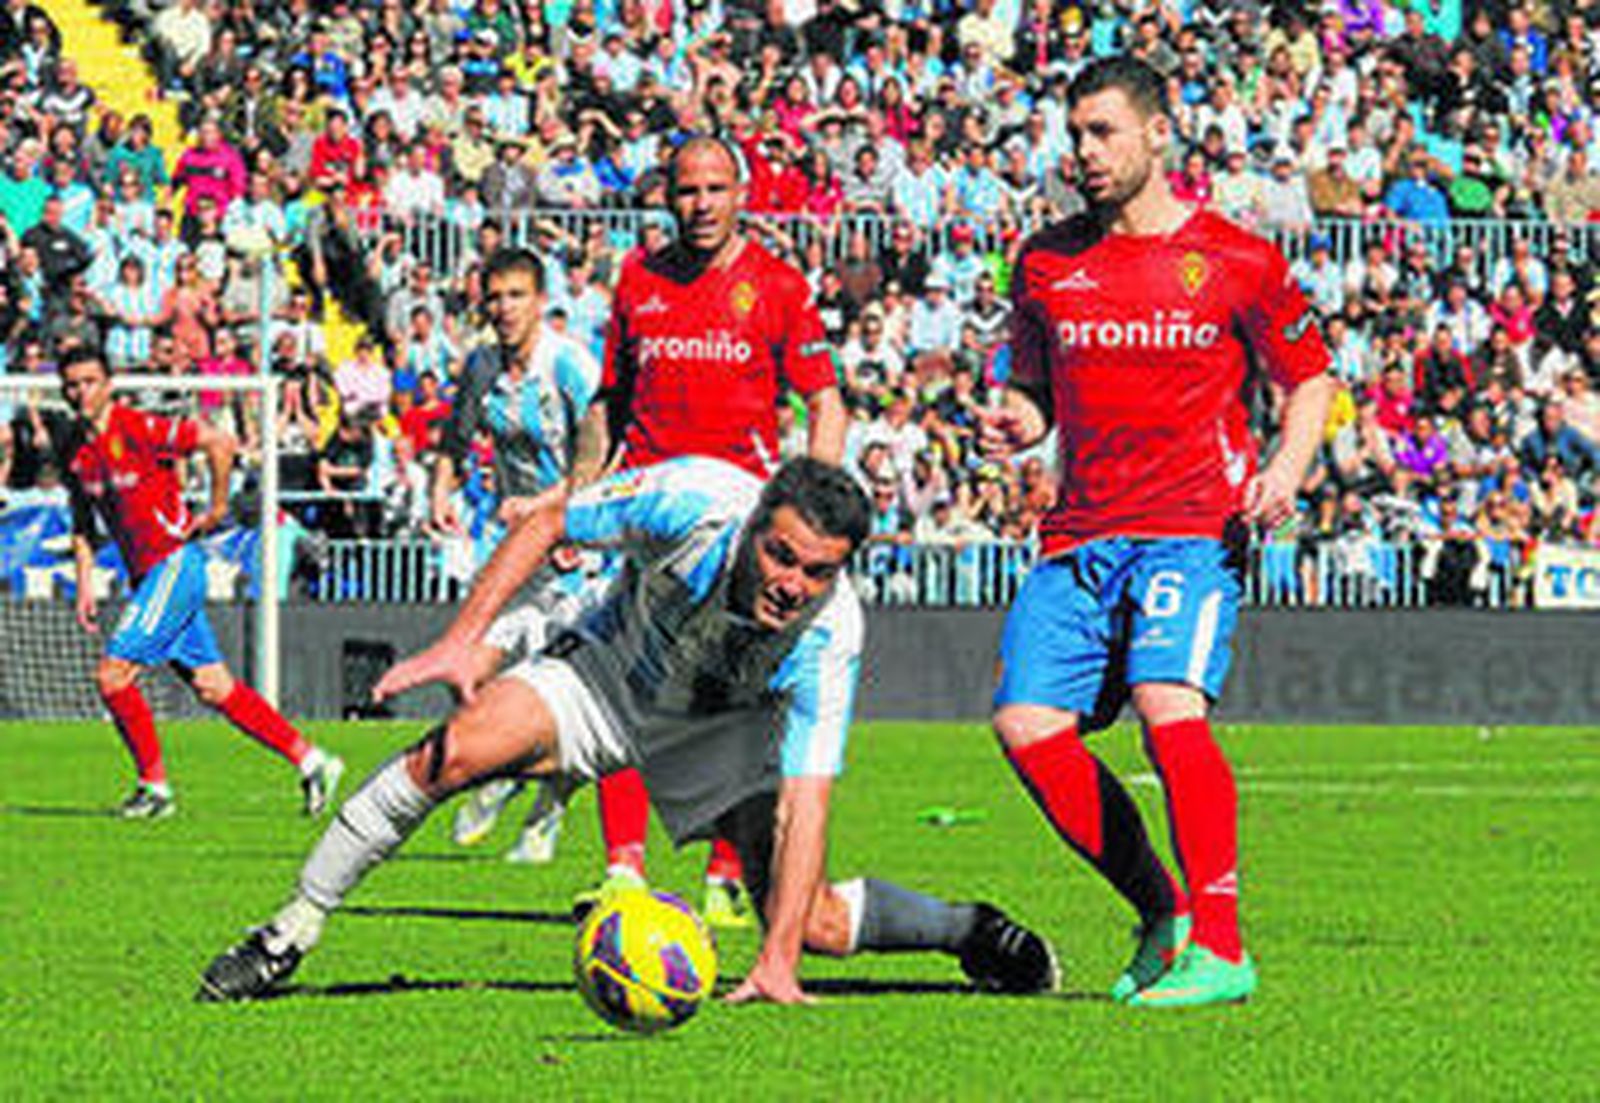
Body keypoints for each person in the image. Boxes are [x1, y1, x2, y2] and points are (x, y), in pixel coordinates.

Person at [196, 457, 1057, 1004]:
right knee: (451, 750)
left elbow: (807, 800)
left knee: (816, 924)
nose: (792, 583)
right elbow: (548, 520)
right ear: (755, 521)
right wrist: (466, 637)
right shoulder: (694, 499)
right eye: (780, 555)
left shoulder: (835, 636)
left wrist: (778, 962)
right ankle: (288, 932)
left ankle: (968, 931)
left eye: (818, 571)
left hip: (722, 731)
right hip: (605, 679)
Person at [979, 58, 1334, 1008]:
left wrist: (1286, 471)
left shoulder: (1238, 259)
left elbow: (1311, 378)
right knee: (1025, 725)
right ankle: (1162, 909)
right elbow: (1035, 390)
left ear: (1157, 133)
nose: (1085, 152)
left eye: (1104, 132)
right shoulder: (1047, 261)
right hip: (1078, 533)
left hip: (1188, 527)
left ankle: (1223, 946)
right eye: (1076, 134)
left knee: (1166, 700)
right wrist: (1021, 417)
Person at [454, 136, 848, 928]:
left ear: (741, 192)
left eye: (715, 188)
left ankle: (723, 877)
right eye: (686, 189)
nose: (700, 204)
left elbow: (824, 400)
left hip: (738, 532)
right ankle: (623, 873)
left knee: (737, 706)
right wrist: (581, 500)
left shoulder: (777, 285)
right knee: (624, 689)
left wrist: (812, 516)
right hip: (644, 521)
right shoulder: (639, 279)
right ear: (666, 195)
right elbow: (610, 400)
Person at [55, 348, 344, 820]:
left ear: (108, 384)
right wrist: (85, 584)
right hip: (148, 576)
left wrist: (214, 507)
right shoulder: (74, 449)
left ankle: (155, 788)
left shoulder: (140, 427)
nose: (80, 392)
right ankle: (314, 761)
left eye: (89, 381)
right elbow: (82, 523)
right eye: (71, 384)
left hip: (174, 564)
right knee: (214, 687)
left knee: (112, 675)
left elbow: (219, 442)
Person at [428, 247, 603, 865]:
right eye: (493, 297)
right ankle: (501, 770)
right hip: (516, 550)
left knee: (571, 696)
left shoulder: (572, 365)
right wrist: (440, 490)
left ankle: (545, 816)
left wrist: (549, 508)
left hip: (581, 556)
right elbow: (454, 436)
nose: (502, 309)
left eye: (515, 296)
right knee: (469, 669)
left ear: (541, 300)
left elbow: (603, 455)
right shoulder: (480, 366)